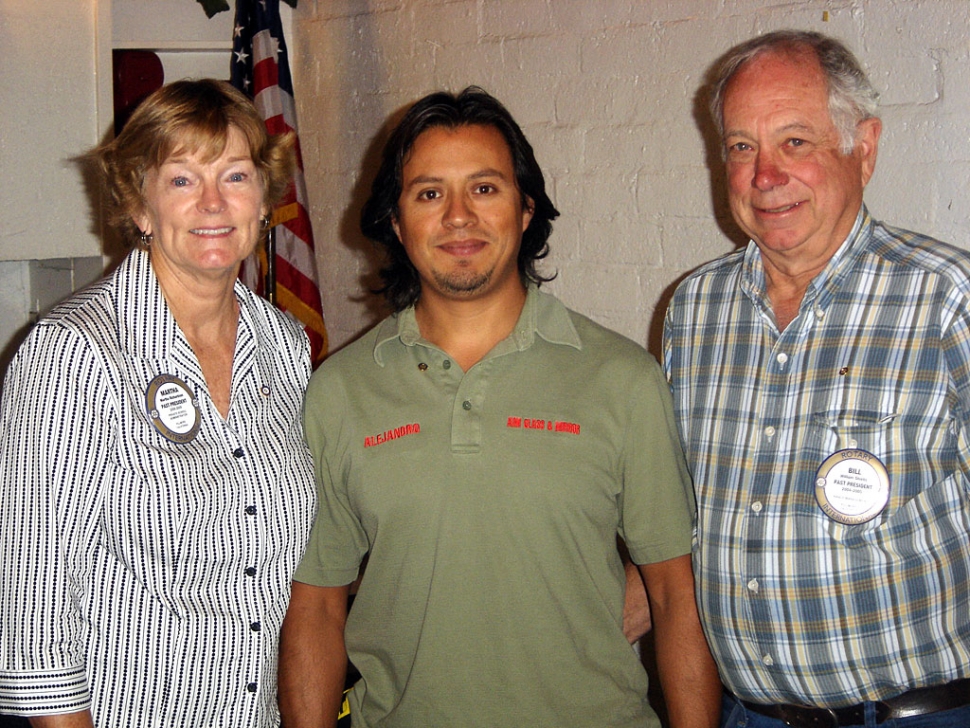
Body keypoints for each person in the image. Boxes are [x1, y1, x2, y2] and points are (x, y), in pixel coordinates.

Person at [279, 87, 720, 728]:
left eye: (484, 188)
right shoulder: (340, 391)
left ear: (524, 211)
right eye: (429, 193)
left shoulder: (623, 380)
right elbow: (315, 604)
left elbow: (676, 597)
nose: (459, 216)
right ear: (397, 223)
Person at [664, 29, 970, 728]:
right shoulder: (694, 310)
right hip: (749, 715)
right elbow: (683, 510)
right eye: (742, 147)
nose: (764, 176)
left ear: (863, 147)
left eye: (795, 142)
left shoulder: (947, 299)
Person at [0, 79, 316, 727]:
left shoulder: (284, 344)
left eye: (234, 176)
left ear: (263, 198)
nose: (211, 203)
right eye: (180, 180)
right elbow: (35, 619)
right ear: (139, 206)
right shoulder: (75, 353)